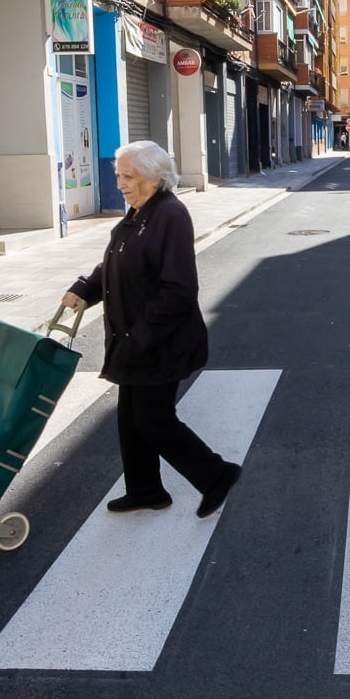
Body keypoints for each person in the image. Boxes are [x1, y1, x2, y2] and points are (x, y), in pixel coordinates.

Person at [62, 141, 242, 517]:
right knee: (131, 420)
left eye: (129, 175)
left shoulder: (170, 216)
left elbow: (179, 291)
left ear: (155, 176)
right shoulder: (136, 216)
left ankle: (216, 475)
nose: (120, 183)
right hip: (132, 340)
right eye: (117, 175)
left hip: (160, 342)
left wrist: (140, 336)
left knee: (154, 420)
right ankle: (145, 490)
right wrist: (84, 289)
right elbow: (113, 265)